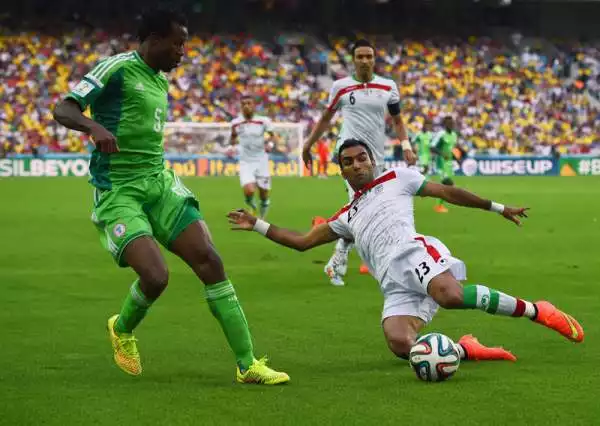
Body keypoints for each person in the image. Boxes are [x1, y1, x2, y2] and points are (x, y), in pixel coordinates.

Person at [52, 9, 289, 385]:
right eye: (177, 43)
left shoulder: (161, 81)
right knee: (156, 276)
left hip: (159, 184)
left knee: (209, 260)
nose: (182, 52)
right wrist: (93, 125)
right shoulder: (116, 68)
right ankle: (123, 327)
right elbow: (63, 107)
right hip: (119, 191)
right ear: (154, 39)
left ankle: (248, 365)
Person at [228, 139, 584, 364]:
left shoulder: (398, 178)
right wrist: (258, 224)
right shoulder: (346, 216)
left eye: (361, 157)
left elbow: (448, 193)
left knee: (450, 295)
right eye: (348, 162)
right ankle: (464, 349)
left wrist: (498, 207)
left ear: (372, 160)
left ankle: (538, 310)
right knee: (401, 343)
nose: (356, 164)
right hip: (392, 283)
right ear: (342, 171)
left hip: (414, 254)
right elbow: (302, 242)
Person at [302, 39, 417, 287]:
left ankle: (339, 253)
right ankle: (340, 262)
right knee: (364, 209)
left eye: (369, 56)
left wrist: (406, 146)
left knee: (368, 210)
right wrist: (308, 144)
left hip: (375, 158)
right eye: (360, 56)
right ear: (353, 60)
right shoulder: (341, 86)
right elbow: (326, 118)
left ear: (374, 59)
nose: (364, 60)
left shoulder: (388, 86)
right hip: (350, 157)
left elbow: (397, 120)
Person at [230, 95, 274, 218]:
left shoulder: (263, 121)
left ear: (254, 105)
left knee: (264, 194)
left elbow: (272, 135)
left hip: (261, 161)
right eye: (243, 104)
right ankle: (252, 206)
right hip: (245, 161)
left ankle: (262, 217)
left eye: (249, 103)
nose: (246, 106)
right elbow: (233, 137)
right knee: (249, 190)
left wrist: (270, 144)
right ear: (241, 106)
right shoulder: (235, 123)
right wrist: (231, 146)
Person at [431, 116, 459, 213]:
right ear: (445, 125)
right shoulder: (441, 134)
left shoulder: (454, 135)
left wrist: (456, 158)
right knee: (449, 183)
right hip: (440, 163)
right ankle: (439, 205)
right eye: (449, 123)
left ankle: (439, 206)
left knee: (445, 185)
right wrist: (442, 154)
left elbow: (451, 150)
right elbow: (432, 147)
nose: (451, 125)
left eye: (452, 123)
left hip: (449, 164)